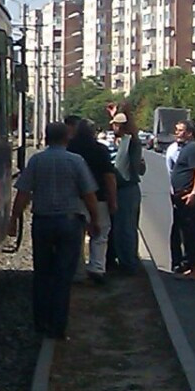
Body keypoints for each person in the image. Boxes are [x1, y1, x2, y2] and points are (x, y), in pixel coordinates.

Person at [11, 120, 101, 340]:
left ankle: (41, 323)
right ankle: (58, 327)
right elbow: (89, 194)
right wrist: (94, 219)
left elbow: (23, 192)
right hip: (69, 223)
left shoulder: (36, 161)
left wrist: (14, 218)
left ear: (46, 137)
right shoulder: (76, 161)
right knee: (63, 276)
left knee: (42, 274)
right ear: (67, 137)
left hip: (43, 222)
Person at [64, 115, 118, 284]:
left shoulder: (69, 149)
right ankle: (97, 268)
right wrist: (113, 200)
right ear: (93, 133)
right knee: (100, 234)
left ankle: (77, 271)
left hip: (73, 199)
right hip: (99, 198)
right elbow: (109, 177)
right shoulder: (100, 150)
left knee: (76, 236)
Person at [165, 121, 195, 278]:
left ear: (189, 133)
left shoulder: (194, 149)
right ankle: (188, 265)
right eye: (176, 130)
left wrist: (194, 193)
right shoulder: (185, 149)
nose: (177, 132)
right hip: (181, 197)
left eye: (180, 130)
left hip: (190, 197)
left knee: (192, 233)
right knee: (185, 232)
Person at [108, 111, 146, 274]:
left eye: (115, 125)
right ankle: (126, 260)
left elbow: (133, 168)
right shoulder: (124, 141)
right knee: (123, 227)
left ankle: (128, 263)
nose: (113, 128)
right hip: (124, 189)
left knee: (125, 228)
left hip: (126, 189)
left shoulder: (131, 141)